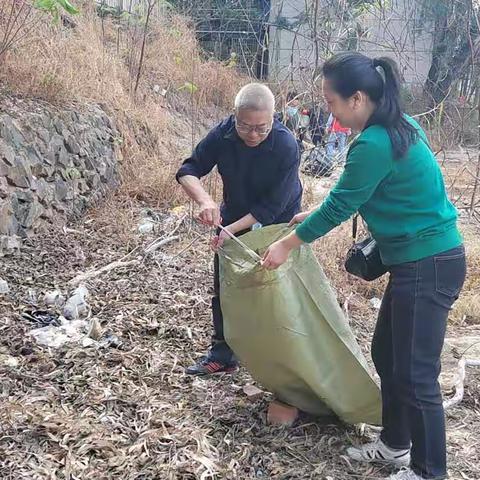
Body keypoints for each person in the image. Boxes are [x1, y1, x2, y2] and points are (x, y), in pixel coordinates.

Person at [261, 53, 466, 480]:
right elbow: (358, 194)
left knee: (416, 372)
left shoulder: (373, 143)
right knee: (387, 354)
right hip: (419, 260)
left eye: (331, 102)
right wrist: (310, 215)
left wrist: (286, 244)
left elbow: (341, 204)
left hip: (428, 262)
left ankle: (430, 472)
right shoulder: (400, 127)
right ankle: (395, 446)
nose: (328, 110)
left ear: (357, 98)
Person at [176, 83, 302, 376]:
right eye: (246, 126)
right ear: (235, 117)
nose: (254, 135)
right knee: (226, 286)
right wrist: (206, 200)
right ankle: (222, 354)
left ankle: (277, 358)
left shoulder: (286, 145)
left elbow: (270, 207)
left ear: (274, 118)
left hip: (278, 223)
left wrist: (228, 229)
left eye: (262, 127)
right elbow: (188, 170)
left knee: (272, 287)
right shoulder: (223, 134)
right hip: (234, 212)